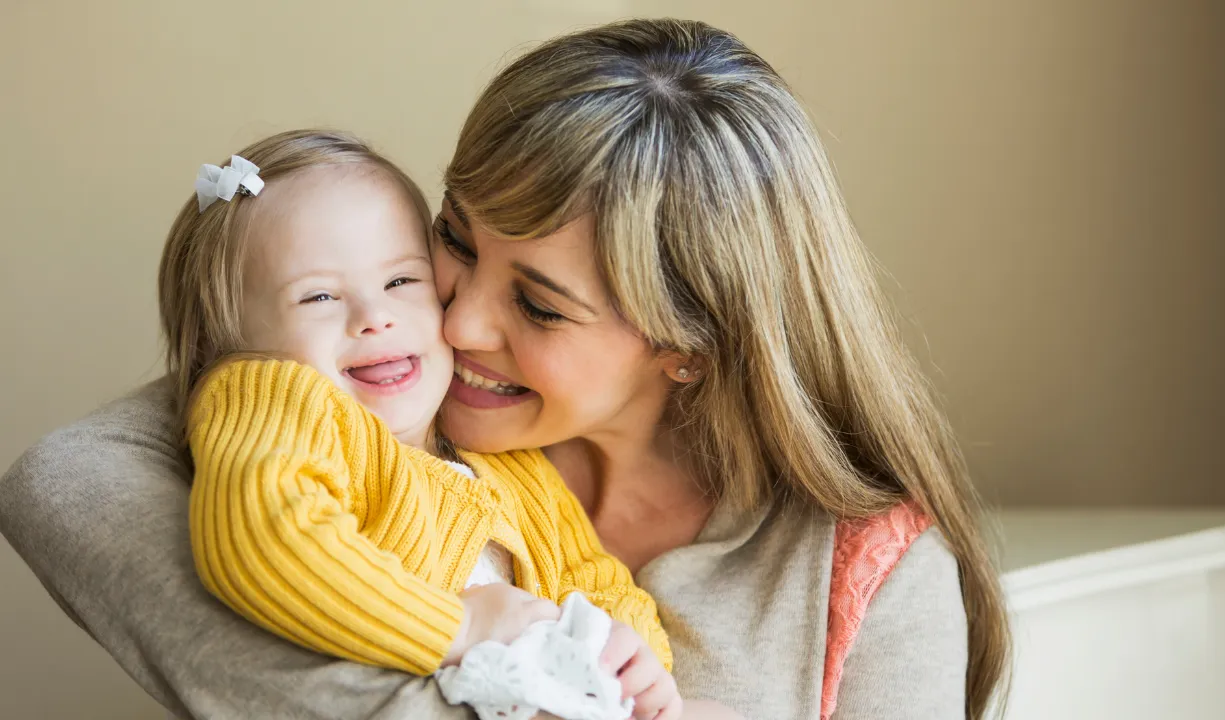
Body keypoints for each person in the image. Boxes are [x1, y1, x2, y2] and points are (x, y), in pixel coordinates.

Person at [0, 18, 1009, 720]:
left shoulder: (867, 574)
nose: (456, 318)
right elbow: (60, 481)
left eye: (538, 304)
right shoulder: (377, 391)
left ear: (690, 346)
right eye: (452, 240)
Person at [166, 129, 682, 719]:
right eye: (317, 298)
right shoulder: (277, 399)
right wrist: (458, 626)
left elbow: (591, 575)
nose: (375, 317)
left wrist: (633, 656)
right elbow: (265, 540)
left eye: (401, 282)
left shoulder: (507, 463)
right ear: (229, 342)